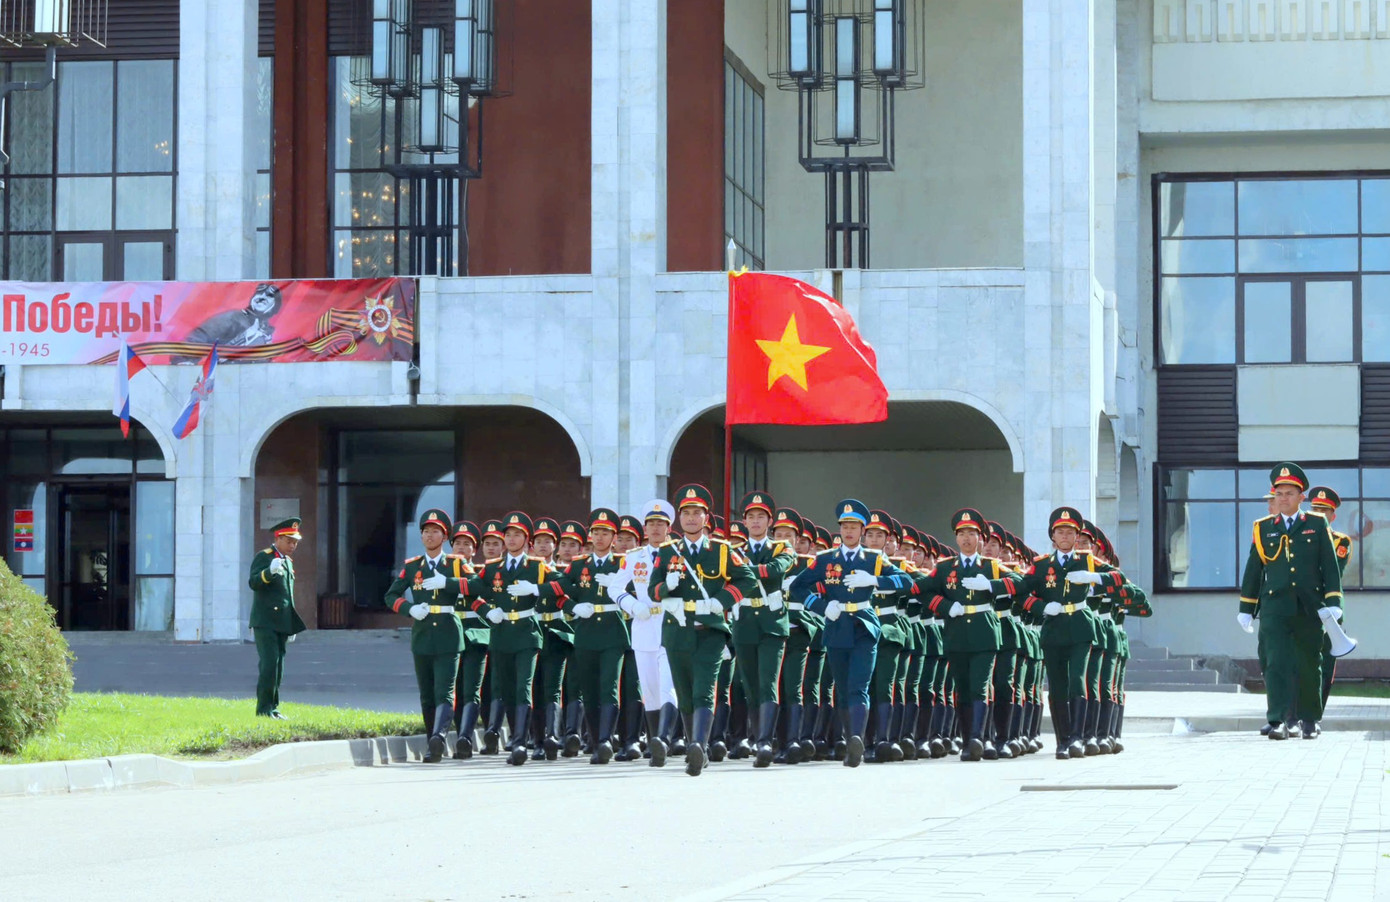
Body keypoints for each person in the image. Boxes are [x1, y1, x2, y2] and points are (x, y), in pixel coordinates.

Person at [789, 499, 914, 767]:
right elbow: (797, 587)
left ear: (862, 531)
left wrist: (875, 580)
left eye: (854, 527)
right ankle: (851, 742)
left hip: (864, 626)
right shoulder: (825, 560)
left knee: (859, 686)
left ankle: (856, 738)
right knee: (843, 689)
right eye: (845, 526)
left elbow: (906, 581)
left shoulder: (874, 559)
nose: (849, 531)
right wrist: (821, 607)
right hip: (837, 626)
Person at [645, 484, 760, 777]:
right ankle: (696, 748)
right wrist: (666, 588)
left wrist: (722, 601)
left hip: (709, 630)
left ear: (706, 518)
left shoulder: (721, 550)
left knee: (704, 690)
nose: (691, 518)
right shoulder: (668, 551)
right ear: (679, 519)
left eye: (696, 513)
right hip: (677, 630)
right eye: (686, 513)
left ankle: (698, 744)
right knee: (684, 692)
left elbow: (747, 579)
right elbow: (652, 589)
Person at [1237, 463, 1343, 740]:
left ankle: (1309, 720)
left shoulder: (1316, 524)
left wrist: (1333, 601)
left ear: (1301, 497)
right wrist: (1246, 608)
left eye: (1289, 493)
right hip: (1274, 608)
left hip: (1309, 607)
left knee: (1310, 663)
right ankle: (1278, 721)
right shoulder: (1262, 528)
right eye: (1279, 493)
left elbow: (1329, 566)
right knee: (1276, 663)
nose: (1283, 498)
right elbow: (1254, 570)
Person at [1019, 507, 1126, 759]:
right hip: (1054, 629)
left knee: (1077, 681)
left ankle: (1077, 738)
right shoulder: (1041, 565)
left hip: (1080, 627)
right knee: (1057, 685)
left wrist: (1093, 578)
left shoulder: (1088, 561)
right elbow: (1021, 592)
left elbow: (1119, 578)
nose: (1065, 536)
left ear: (1077, 537)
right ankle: (1063, 740)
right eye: (1060, 532)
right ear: (1053, 536)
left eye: (1070, 532)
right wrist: (1041, 607)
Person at [459, 511, 564, 765]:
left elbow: (564, 585)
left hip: (527, 633)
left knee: (523, 688)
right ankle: (519, 738)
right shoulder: (493, 568)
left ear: (526, 540)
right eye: (508, 535)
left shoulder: (537, 566)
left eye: (517, 535)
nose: (512, 539)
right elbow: (470, 591)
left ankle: (519, 743)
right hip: (501, 634)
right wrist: (486, 611)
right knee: (506, 689)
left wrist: (537, 589)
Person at [917, 509, 1022, 762]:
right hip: (956, 633)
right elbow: (920, 589)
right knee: (962, 688)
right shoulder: (945, 568)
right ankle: (968, 741)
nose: (966, 538)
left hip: (984, 632)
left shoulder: (990, 566)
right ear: (956, 538)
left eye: (971, 534)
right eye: (962, 534)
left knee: (980, 686)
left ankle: (977, 738)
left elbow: (1020, 582)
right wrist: (944, 606)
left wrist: (991, 585)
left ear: (980, 539)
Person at [383, 509, 468, 763]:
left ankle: (438, 737)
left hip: (448, 633)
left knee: (445, 691)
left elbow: (478, 586)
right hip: (422, 634)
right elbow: (390, 596)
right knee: (427, 694)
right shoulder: (412, 566)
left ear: (444, 537)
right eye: (426, 531)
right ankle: (433, 741)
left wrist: (448, 583)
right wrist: (409, 609)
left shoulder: (455, 564)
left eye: (435, 531)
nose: (430, 535)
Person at [552, 508, 631, 764]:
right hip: (585, 633)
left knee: (609, 686)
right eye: (596, 532)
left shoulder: (623, 563)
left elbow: (640, 591)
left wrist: (621, 586)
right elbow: (559, 591)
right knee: (589, 689)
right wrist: (572, 607)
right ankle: (597, 743)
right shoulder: (579, 565)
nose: (599, 537)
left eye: (605, 533)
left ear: (614, 538)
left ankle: (606, 739)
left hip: (613, 631)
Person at [608, 500, 681, 767]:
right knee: (649, 689)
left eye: (661, 524)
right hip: (643, 625)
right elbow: (614, 588)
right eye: (651, 524)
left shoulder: (678, 553)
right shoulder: (633, 557)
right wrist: (631, 604)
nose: (656, 528)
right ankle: (654, 742)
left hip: (671, 624)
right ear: (645, 528)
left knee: (668, 685)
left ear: (669, 528)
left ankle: (665, 737)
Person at [731, 491, 797, 768]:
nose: (756, 521)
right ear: (745, 522)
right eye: (751, 517)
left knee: (768, 681)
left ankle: (765, 742)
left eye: (761, 517)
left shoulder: (782, 547)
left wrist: (748, 570)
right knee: (750, 684)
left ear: (770, 522)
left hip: (771, 622)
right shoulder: (734, 551)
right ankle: (760, 736)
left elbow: (777, 569)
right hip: (745, 621)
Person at [248, 517, 308, 719]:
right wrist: (269, 572)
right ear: (278, 538)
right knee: (269, 664)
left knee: (278, 667)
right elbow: (253, 583)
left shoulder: (288, 562)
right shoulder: (264, 557)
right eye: (289, 541)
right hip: (265, 621)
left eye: (295, 542)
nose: (293, 546)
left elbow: (287, 596)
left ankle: (273, 707)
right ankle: (264, 709)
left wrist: (290, 624)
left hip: (282, 621)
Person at [1308, 486, 1354, 715]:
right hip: (1302, 608)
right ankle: (1295, 715)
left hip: (1328, 609)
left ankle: (1316, 715)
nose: (1318, 514)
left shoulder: (1340, 541)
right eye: (1315, 509)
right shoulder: (1298, 538)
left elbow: (1331, 571)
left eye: (1324, 510)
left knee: (1325, 666)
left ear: (1332, 516)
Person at [447, 521, 488, 758]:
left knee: (471, 688)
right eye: (457, 543)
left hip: (475, 635)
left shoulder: (481, 573)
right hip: (450, 634)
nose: (461, 548)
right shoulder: (442, 571)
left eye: (467, 544)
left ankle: (465, 737)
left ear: (474, 550)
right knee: (453, 689)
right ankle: (458, 733)